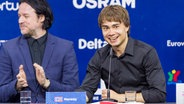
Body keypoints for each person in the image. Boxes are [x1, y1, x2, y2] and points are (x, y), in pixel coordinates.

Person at [76, 5, 166, 103]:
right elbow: (87, 88)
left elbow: (159, 94)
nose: (111, 33)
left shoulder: (146, 52)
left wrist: (122, 97)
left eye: (116, 26)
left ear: (127, 27)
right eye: (106, 28)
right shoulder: (100, 55)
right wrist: (77, 99)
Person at [0, 0, 79, 103]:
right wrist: (17, 85)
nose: (20, 21)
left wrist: (47, 83)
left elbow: (74, 94)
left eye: (26, 16)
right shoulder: (8, 48)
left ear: (41, 18)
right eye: (19, 16)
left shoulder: (65, 48)